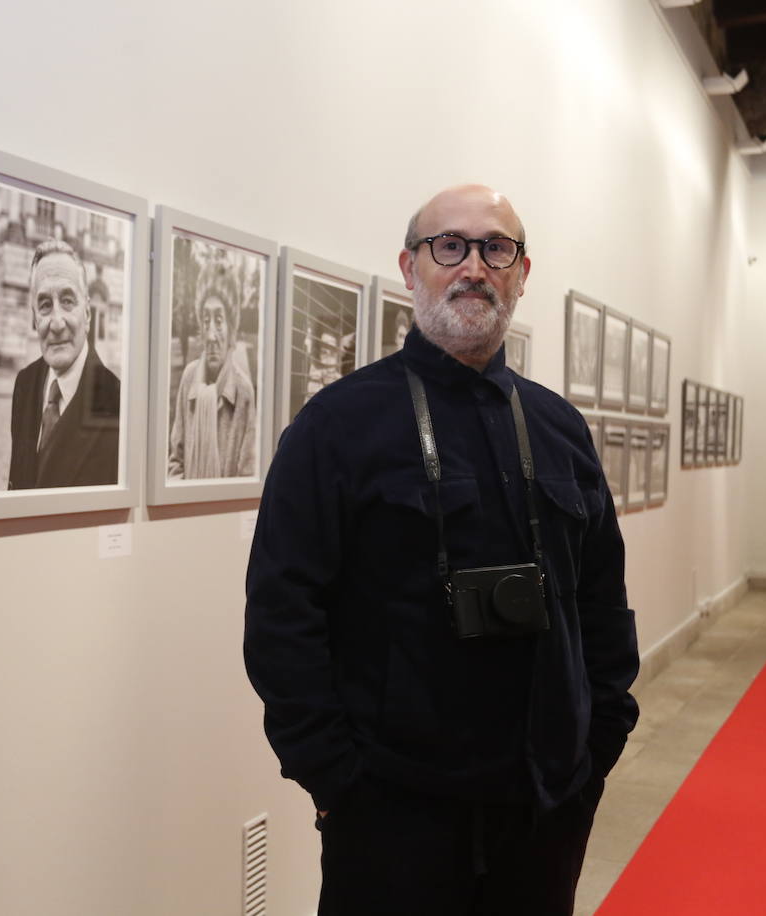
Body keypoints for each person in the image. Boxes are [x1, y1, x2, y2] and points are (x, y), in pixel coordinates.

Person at [244, 185, 639, 915]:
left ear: (522, 273)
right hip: (393, 813)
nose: (473, 267)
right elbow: (281, 614)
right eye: (449, 246)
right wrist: (336, 782)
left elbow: (602, 599)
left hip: (543, 805)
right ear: (410, 266)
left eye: (497, 248)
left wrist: (599, 743)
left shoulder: (559, 427)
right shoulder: (337, 427)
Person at [8, 240, 121, 489]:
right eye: (45, 305)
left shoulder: (117, 402)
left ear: (88, 314)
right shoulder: (25, 383)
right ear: (35, 319)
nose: (57, 323)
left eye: (68, 301)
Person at [167, 269, 256, 479]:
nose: (211, 335)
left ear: (231, 327)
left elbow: (246, 474)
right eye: (206, 320)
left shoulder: (243, 392)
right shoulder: (189, 378)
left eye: (219, 320)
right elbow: (176, 461)